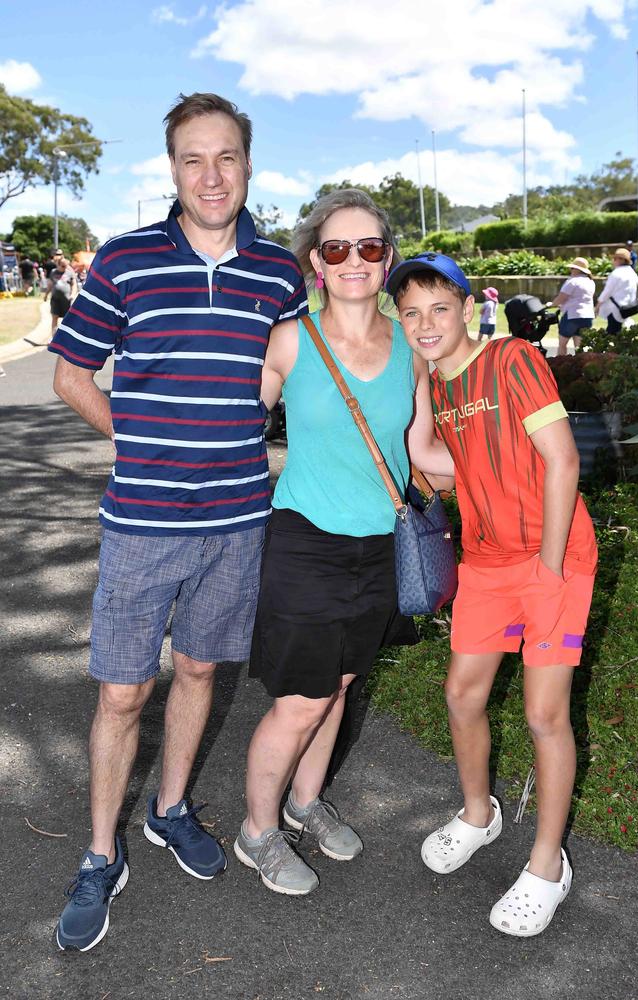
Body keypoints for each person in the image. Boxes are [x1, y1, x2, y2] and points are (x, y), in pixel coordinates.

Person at [49, 91, 308, 952]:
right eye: (193, 158)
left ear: (246, 165)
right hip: (141, 523)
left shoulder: (278, 270)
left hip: (239, 518)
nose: (211, 174)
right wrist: (140, 439)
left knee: (199, 671)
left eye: (226, 157)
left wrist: (257, 414)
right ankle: (98, 856)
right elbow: (71, 374)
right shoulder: (124, 261)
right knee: (125, 690)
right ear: (172, 168)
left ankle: (167, 810)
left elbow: (294, 365)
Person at [234, 192, 454, 896]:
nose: (354, 260)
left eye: (368, 248)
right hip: (305, 541)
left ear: (386, 258)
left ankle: (305, 802)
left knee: (343, 685)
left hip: (380, 547)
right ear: (316, 264)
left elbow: (420, 447)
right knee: (301, 698)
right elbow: (237, 422)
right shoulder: (292, 339)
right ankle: (258, 832)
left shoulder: (409, 356)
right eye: (336, 249)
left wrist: (517, 461)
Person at [386, 253, 597, 937]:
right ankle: (479, 813)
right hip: (483, 563)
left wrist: (548, 564)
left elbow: (562, 459)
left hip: (552, 557)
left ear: (466, 306)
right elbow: (442, 463)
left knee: (543, 715)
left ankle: (546, 866)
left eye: (438, 309)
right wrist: (420, 387)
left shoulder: (509, 359)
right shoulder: (443, 386)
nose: (425, 323)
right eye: (411, 312)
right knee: (462, 694)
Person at [551, 257, 595, 355]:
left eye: (572, 268)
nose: (570, 270)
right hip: (587, 316)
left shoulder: (572, 281)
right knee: (580, 347)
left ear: (577, 270)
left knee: (562, 344)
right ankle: (581, 367)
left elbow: (561, 298)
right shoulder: (590, 282)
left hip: (572, 316)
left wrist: (552, 304)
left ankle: (561, 366)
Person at [596, 248, 638, 336]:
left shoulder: (616, 273)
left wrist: (597, 306)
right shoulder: (632, 273)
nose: (613, 261)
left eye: (615, 258)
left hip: (615, 309)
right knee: (621, 335)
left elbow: (607, 292)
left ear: (621, 260)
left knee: (612, 334)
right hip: (627, 309)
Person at [47, 254, 77, 338]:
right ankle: (54, 337)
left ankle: (67, 337)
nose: (64, 267)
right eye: (62, 266)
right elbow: (50, 284)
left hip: (66, 300)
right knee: (54, 317)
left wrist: (73, 294)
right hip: (55, 299)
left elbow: (74, 285)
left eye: (65, 266)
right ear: (58, 264)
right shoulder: (53, 272)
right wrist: (46, 295)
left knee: (67, 319)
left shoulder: (69, 273)